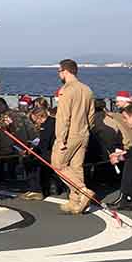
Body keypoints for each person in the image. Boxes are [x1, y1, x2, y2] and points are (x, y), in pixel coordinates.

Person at [53, 59, 96, 214]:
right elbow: (91, 116)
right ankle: (75, 201)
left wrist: (60, 139)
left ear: (65, 71)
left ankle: (83, 191)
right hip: (84, 133)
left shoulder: (66, 90)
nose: (59, 74)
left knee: (58, 164)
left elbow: (63, 117)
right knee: (76, 168)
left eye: (59, 71)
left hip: (70, 134)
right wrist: (87, 130)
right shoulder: (87, 90)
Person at [22, 106, 56, 200]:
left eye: (34, 120)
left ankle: (36, 190)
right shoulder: (52, 122)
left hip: (51, 152)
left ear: (39, 117)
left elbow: (45, 144)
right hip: (50, 150)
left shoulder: (48, 126)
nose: (35, 123)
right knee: (29, 158)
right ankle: (33, 188)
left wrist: (33, 150)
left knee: (30, 161)